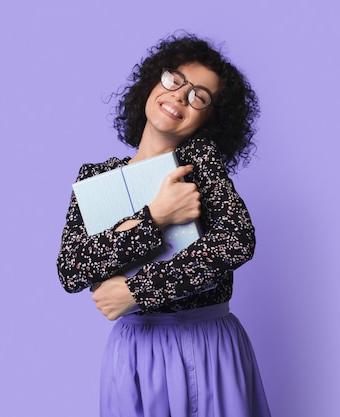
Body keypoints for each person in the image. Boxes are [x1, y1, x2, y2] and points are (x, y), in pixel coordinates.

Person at [56, 33, 271, 417]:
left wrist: (136, 291)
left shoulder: (200, 164)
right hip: (135, 354)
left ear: (210, 120)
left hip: (207, 345)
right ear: (154, 82)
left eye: (199, 96)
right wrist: (155, 217)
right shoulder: (94, 178)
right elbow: (72, 269)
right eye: (175, 80)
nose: (180, 96)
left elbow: (236, 240)